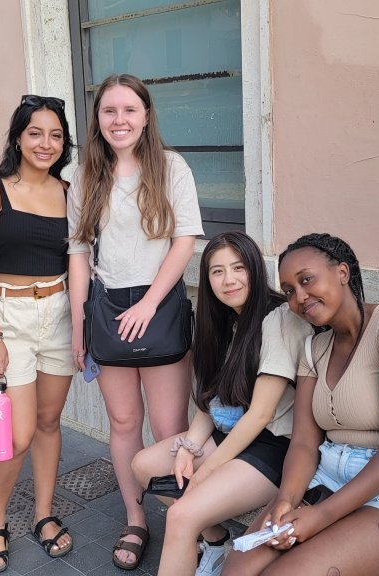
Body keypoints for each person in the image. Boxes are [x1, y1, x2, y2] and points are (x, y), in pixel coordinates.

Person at [222, 233, 379, 576]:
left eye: (306, 280)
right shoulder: (315, 349)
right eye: (288, 290)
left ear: (343, 273)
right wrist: (287, 499)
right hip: (328, 476)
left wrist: (319, 517)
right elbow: (304, 441)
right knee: (237, 570)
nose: (299, 297)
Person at [67, 73, 204, 570]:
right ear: (98, 120)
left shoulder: (171, 168)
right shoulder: (83, 176)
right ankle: (135, 518)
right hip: (106, 310)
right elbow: (79, 251)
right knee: (124, 421)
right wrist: (79, 323)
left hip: (160, 304)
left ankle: (182, 520)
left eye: (129, 110)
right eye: (109, 111)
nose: (119, 120)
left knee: (171, 427)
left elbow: (186, 238)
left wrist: (148, 302)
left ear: (147, 115)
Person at [132, 231, 313, 576]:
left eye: (238, 268)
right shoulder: (225, 320)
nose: (228, 280)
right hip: (233, 431)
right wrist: (189, 447)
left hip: (274, 446)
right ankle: (215, 541)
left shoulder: (279, 321)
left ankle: (198, 534)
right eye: (217, 271)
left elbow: (260, 414)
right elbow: (212, 400)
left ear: (256, 270)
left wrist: (207, 471)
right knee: (145, 465)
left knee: (181, 514)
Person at [0, 95, 76, 573]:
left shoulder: (69, 192)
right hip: (9, 318)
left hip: (61, 311)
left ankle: (43, 514)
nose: (45, 143)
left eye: (55, 135)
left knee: (50, 422)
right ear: (18, 137)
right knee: (17, 433)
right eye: (35, 133)